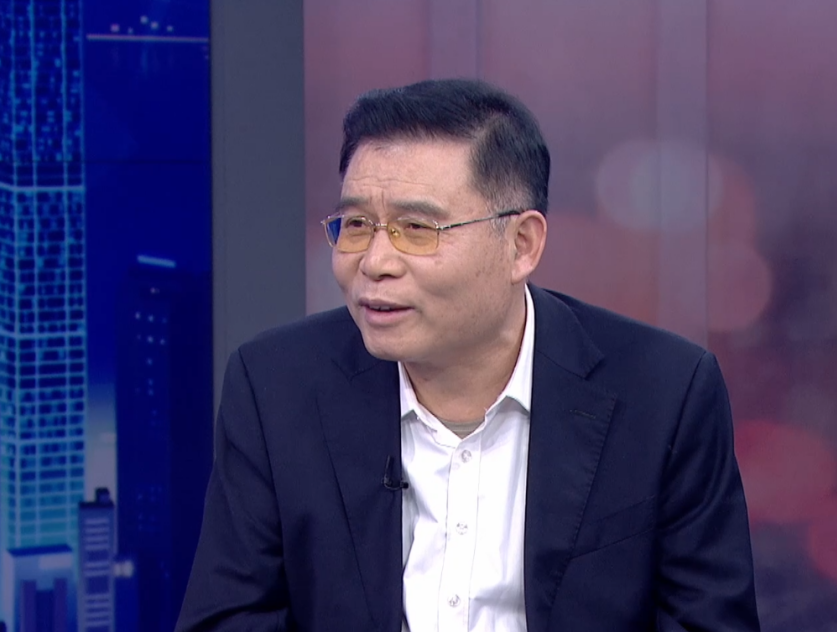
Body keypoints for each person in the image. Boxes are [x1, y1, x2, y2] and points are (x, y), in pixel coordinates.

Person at [175, 78, 759, 632]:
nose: (375, 262)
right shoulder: (275, 387)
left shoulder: (663, 395)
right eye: (357, 224)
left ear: (521, 244)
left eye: (416, 227)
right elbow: (229, 620)